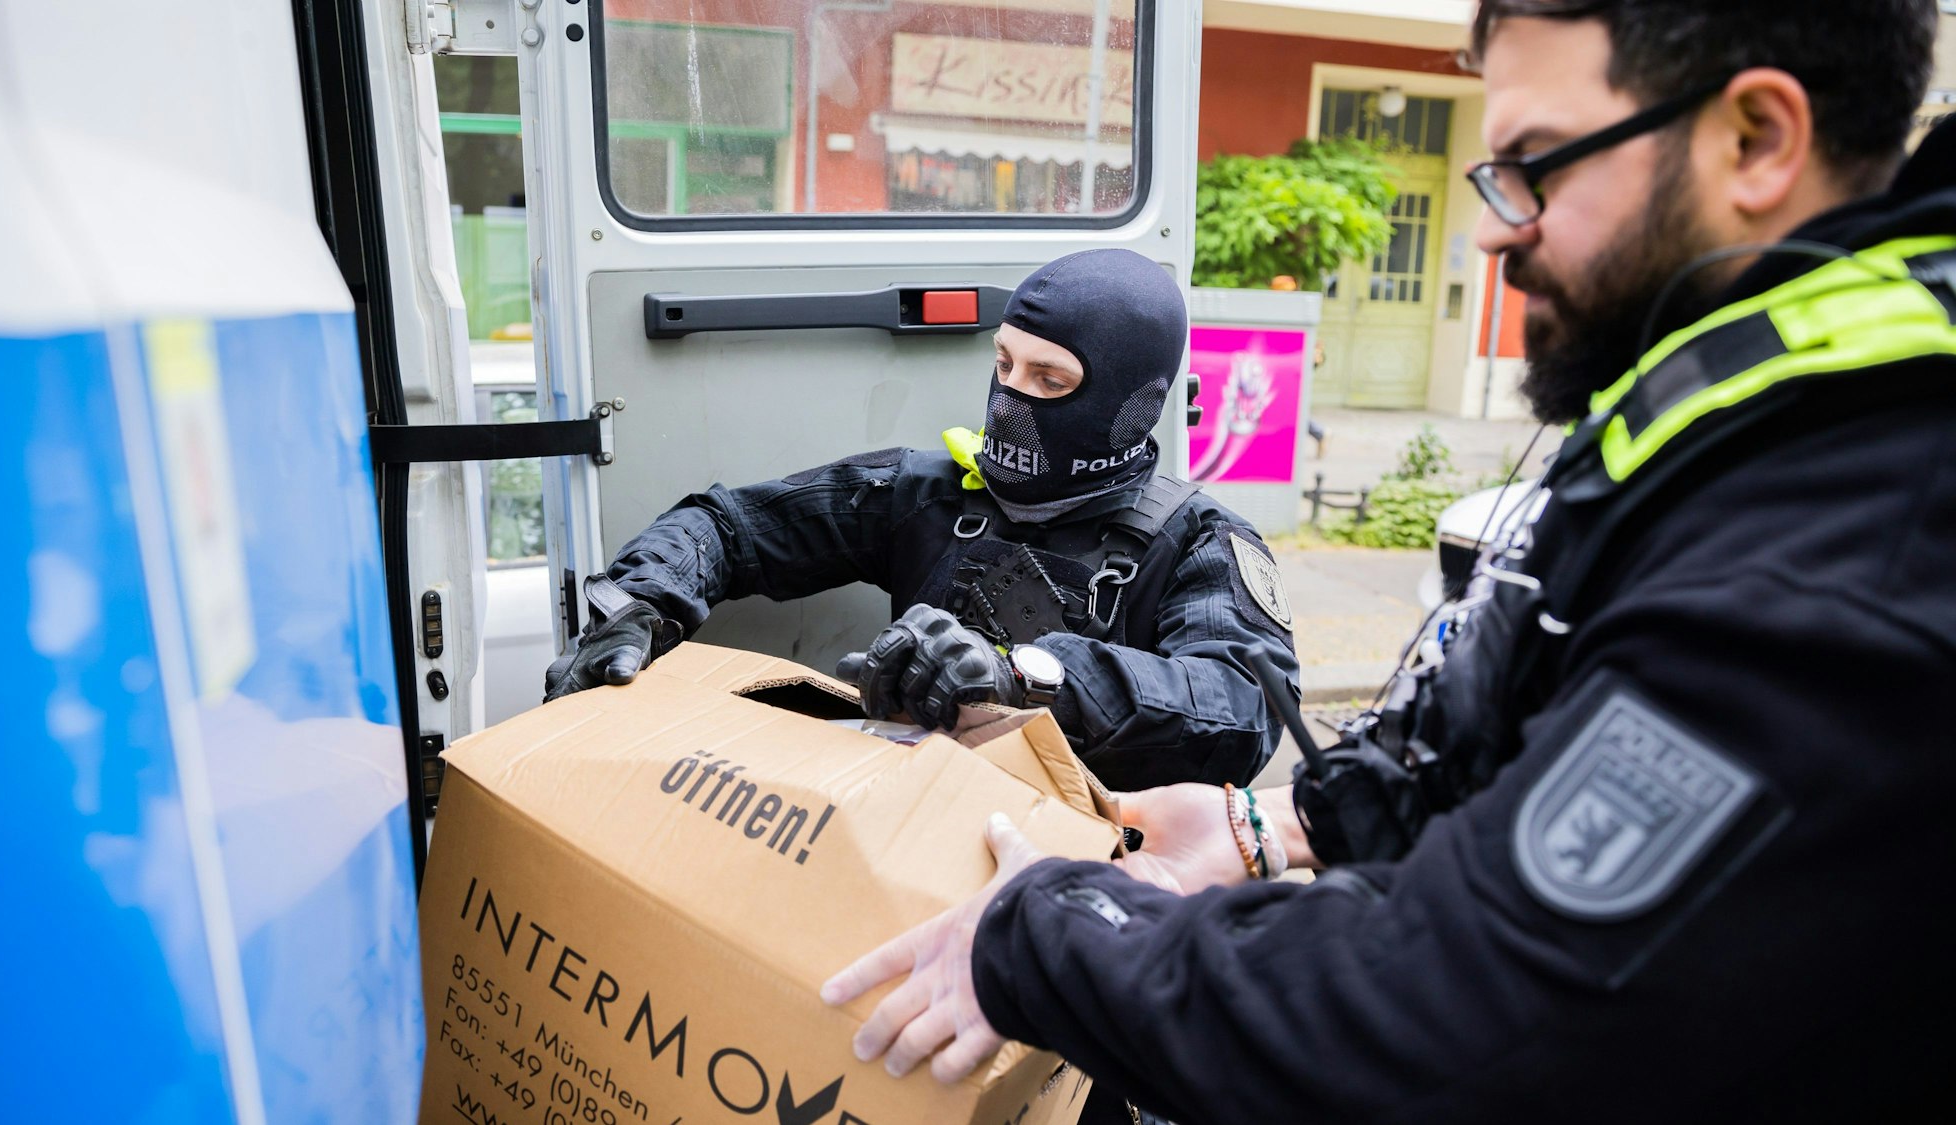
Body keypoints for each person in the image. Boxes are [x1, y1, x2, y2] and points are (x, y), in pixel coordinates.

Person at [822, 2, 1956, 1121]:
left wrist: (1049, 930)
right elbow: (1516, 710)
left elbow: (1467, 1016)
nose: (1489, 230)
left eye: (1527, 166)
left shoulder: (1850, 527)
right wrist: (1280, 826)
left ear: (1753, 140)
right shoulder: (1755, 402)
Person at [542, 248, 1300, 795]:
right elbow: (729, 526)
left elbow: (1244, 712)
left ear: (1133, 404)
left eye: (1049, 379)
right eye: (1003, 363)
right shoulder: (930, 492)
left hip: (1094, 872)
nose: (1009, 400)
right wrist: (638, 605)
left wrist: (1025, 679)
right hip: (911, 833)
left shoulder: (1200, 539)